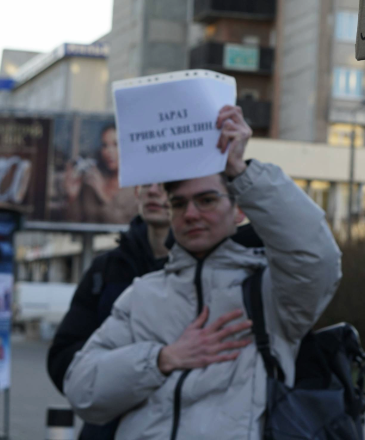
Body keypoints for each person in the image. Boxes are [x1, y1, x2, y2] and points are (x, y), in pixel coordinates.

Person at [62, 105, 342, 440]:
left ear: (238, 209)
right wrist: (162, 359)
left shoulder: (269, 293)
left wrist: (240, 169)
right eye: (179, 204)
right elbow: (81, 389)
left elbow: (315, 256)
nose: (191, 214)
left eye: (207, 200)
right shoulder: (142, 296)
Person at [47, 181, 177, 440]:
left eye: (165, 185)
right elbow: (64, 359)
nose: (153, 191)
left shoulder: (203, 272)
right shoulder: (106, 269)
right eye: (146, 184)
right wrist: (121, 373)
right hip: (106, 429)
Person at [65, 123, 137, 224]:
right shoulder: (92, 181)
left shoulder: (136, 187)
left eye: (116, 144)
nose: (109, 151)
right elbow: (75, 223)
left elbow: (128, 228)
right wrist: (72, 197)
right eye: (104, 145)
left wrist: (103, 195)